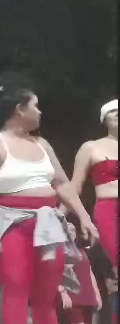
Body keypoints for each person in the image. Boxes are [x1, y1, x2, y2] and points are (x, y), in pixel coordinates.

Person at [0, 75, 96, 324]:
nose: (40, 112)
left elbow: (62, 184)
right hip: (11, 222)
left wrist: (84, 217)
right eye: (35, 106)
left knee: (47, 293)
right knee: (16, 285)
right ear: (19, 109)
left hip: (47, 224)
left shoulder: (42, 144)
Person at [70, 99, 117, 276]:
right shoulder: (91, 147)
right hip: (110, 210)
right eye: (113, 111)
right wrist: (58, 216)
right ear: (104, 119)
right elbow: (74, 186)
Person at [59, 223, 107, 324]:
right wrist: (63, 293)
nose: (72, 232)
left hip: (87, 294)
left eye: (73, 230)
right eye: (68, 230)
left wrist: (97, 294)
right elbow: (59, 273)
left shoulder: (81, 251)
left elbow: (90, 273)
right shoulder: (62, 251)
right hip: (73, 294)